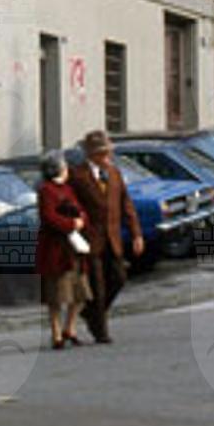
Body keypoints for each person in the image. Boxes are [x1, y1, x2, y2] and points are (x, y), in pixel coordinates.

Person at [66, 132, 144, 345]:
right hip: (90, 239)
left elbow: (126, 205)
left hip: (113, 237)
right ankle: (100, 331)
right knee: (97, 286)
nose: (108, 156)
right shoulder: (78, 176)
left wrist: (136, 234)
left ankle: (91, 313)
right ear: (93, 154)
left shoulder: (114, 173)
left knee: (119, 278)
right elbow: (69, 205)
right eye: (104, 153)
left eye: (109, 152)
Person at [35, 153, 89, 349]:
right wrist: (70, 224)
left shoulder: (68, 188)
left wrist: (81, 220)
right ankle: (56, 333)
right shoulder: (46, 190)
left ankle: (70, 328)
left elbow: (81, 210)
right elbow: (48, 216)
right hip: (55, 248)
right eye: (64, 166)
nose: (67, 170)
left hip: (72, 248)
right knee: (56, 294)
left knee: (80, 291)